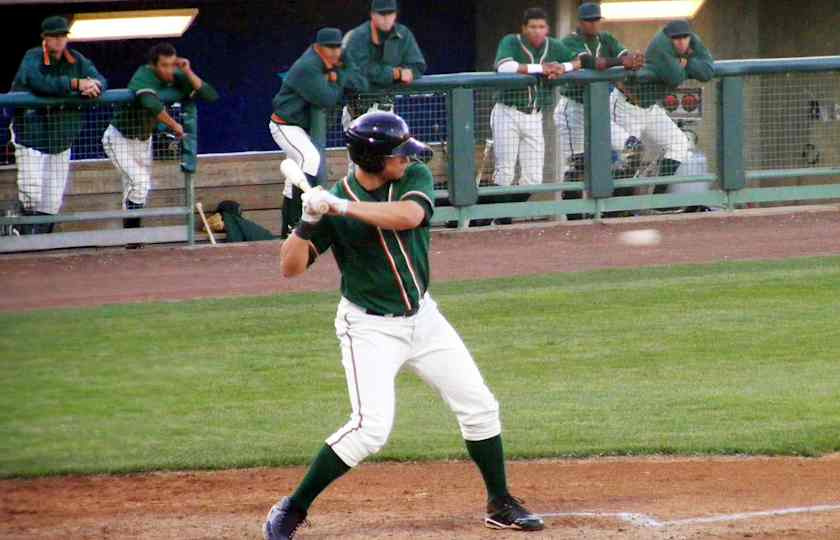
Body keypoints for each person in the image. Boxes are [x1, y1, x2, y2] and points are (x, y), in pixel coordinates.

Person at [263, 111, 545, 539]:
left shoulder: (411, 177)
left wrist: (341, 207)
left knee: (479, 406)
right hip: (369, 328)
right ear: (374, 159)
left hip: (424, 318)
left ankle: (500, 502)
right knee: (370, 430)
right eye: (398, 154)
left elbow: (410, 216)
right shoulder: (332, 203)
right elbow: (290, 268)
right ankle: (292, 507)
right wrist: (308, 222)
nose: (408, 158)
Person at [103, 43, 217, 237]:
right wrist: (174, 125)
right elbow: (150, 103)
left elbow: (210, 95)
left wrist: (187, 71)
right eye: (164, 65)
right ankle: (132, 236)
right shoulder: (144, 74)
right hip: (119, 138)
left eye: (172, 64)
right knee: (140, 182)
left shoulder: (177, 75)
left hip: (143, 140)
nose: (169, 69)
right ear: (153, 65)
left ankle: (131, 240)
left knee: (138, 188)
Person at [10, 15, 107, 234]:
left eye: (62, 36)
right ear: (44, 38)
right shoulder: (33, 56)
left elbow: (101, 79)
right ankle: (20, 234)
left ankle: (41, 243)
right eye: (54, 36)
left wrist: (94, 85)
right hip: (30, 136)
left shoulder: (77, 59)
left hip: (61, 139)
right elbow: (37, 82)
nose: (59, 40)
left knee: (52, 201)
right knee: (31, 193)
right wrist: (75, 83)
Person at [271, 28, 367, 237]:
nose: (334, 51)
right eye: (329, 47)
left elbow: (362, 83)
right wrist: (342, 76)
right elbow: (326, 98)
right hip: (286, 125)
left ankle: (288, 229)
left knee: (295, 175)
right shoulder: (307, 65)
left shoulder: (341, 57)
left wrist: (337, 76)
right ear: (317, 47)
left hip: (305, 128)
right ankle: (298, 221)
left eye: (337, 47)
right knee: (310, 159)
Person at [489, 7, 581, 224]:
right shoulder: (511, 41)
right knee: (505, 172)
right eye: (532, 27)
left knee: (533, 178)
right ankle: (496, 219)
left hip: (534, 116)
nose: (537, 31)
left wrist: (562, 67)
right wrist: (540, 68)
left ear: (547, 29)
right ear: (524, 28)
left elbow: (580, 60)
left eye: (541, 27)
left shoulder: (554, 45)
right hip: (508, 112)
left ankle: (493, 213)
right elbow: (504, 66)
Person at [612, 20, 714, 191]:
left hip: (650, 107)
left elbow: (708, 72)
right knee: (631, 158)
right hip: (627, 106)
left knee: (678, 144)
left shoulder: (693, 40)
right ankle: (615, 205)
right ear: (669, 38)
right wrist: (689, 60)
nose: (681, 42)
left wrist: (686, 62)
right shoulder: (660, 44)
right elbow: (675, 77)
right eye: (676, 38)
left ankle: (658, 199)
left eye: (685, 37)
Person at [554, 2, 645, 179]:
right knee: (577, 168)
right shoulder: (569, 41)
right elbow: (591, 63)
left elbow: (626, 57)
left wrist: (635, 59)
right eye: (589, 20)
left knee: (634, 148)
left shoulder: (606, 39)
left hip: (598, 109)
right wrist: (622, 62)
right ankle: (574, 199)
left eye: (597, 20)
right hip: (573, 110)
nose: (594, 24)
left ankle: (617, 192)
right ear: (580, 22)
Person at [341, 0, 426, 124]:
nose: (386, 18)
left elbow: (418, 65)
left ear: (395, 14)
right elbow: (360, 69)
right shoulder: (358, 36)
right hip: (357, 110)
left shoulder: (403, 34)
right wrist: (394, 74)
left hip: (386, 107)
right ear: (372, 15)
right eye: (382, 14)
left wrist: (408, 72)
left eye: (390, 13)